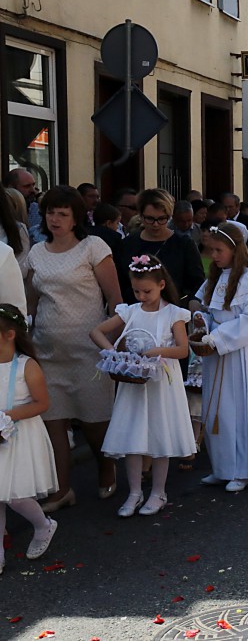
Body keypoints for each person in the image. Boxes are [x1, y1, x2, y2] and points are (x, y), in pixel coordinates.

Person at [27, 186, 123, 512]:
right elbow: (31, 302)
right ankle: (62, 489)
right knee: (54, 423)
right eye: (50, 212)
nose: (55, 219)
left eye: (62, 213)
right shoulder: (37, 253)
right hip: (48, 353)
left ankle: (106, 465)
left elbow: (115, 300)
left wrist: (114, 345)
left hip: (89, 351)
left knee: (95, 424)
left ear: (76, 217)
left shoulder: (93, 247)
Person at [90, 256, 194, 517]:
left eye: (146, 291)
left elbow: (182, 349)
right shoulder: (131, 311)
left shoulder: (173, 313)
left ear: (161, 285)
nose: (141, 296)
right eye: (136, 291)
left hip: (162, 384)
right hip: (134, 381)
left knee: (160, 435)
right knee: (133, 435)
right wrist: (115, 354)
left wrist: (156, 351)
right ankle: (134, 492)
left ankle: (158, 491)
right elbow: (97, 332)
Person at [193, 222, 248, 493]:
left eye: (218, 250)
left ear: (235, 249)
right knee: (217, 411)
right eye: (210, 249)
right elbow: (208, 310)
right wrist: (201, 321)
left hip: (238, 355)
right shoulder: (215, 278)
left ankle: (243, 469)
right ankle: (222, 468)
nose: (213, 255)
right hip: (215, 354)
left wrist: (216, 338)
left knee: (238, 410)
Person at [0, 304, 58, 572]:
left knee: (15, 495)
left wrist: (8, 416)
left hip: (21, 436)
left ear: (10, 334)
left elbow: (41, 403)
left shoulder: (26, 366)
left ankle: (43, 525)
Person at [116, 189, 205, 307]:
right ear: (141, 216)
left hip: (173, 311)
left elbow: (197, 282)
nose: (156, 224)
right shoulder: (128, 244)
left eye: (161, 219)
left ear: (169, 217)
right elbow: (120, 282)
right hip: (135, 311)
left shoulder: (184, 244)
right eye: (150, 218)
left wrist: (192, 301)